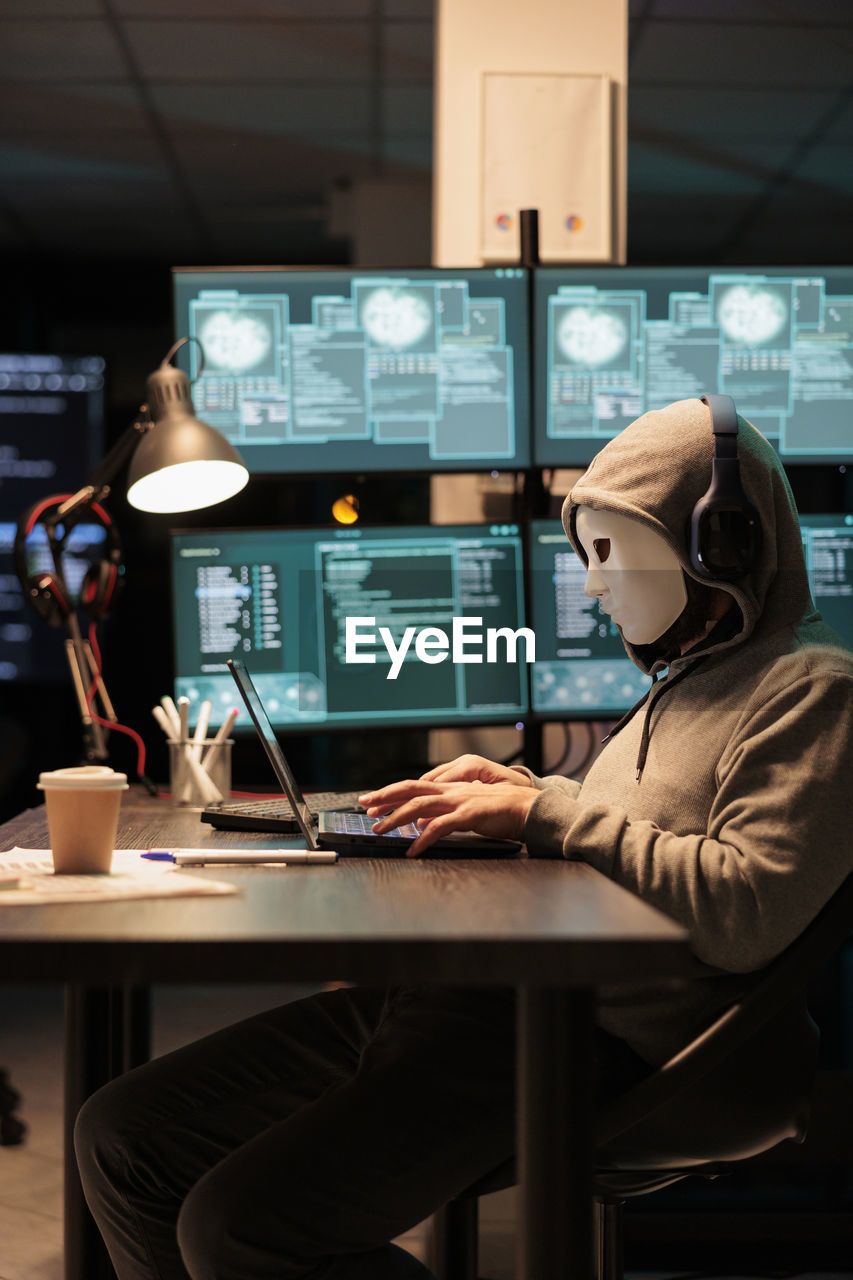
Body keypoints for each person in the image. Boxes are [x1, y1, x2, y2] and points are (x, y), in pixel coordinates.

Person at [75, 396, 853, 1279]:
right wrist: (522, 788)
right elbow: (642, 826)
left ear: (723, 543)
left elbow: (744, 906)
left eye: (607, 551)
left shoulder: (812, 689)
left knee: (237, 1227)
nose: (593, 584)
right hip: (498, 997)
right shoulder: (693, 677)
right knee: (122, 1138)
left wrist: (541, 814)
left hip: (605, 1037)